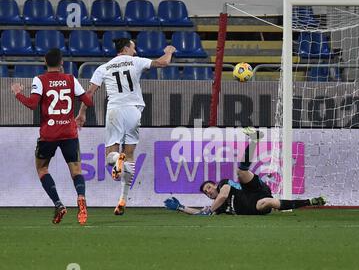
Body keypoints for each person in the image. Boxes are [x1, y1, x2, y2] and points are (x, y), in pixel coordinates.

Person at [76, 38, 176, 215]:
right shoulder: (136, 62)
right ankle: (123, 199)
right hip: (134, 111)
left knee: (110, 157)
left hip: (115, 110)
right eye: (133, 48)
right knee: (129, 155)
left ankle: (117, 160)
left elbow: (90, 93)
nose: (135, 52)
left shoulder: (104, 67)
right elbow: (163, 63)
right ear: (125, 49)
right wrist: (169, 50)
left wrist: (82, 113)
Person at [10, 48, 93, 225]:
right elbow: (88, 102)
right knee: (76, 171)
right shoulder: (71, 79)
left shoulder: (39, 80)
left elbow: (32, 105)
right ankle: (81, 199)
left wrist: (17, 93)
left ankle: (58, 204)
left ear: (45, 63)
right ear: (62, 62)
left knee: (42, 169)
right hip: (69, 132)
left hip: (49, 134)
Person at [164, 127, 326, 215]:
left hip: (254, 190)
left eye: (208, 187)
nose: (209, 192)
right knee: (268, 202)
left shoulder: (223, 185)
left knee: (241, 172)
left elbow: (223, 195)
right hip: (255, 205)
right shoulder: (217, 208)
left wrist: (208, 212)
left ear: (214, 185)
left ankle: (255, 138)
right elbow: (199, 212)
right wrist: (181, 207)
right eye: (206, 193)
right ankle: (309, 202)